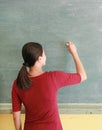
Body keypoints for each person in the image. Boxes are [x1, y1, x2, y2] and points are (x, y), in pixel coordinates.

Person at [11, 41, 87, 130]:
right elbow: (83, 76)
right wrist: (74, 53)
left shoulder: (18, 83)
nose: (46, 56)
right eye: (44, 54)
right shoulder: (53, 78)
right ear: (39, 59)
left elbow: (16, 116)